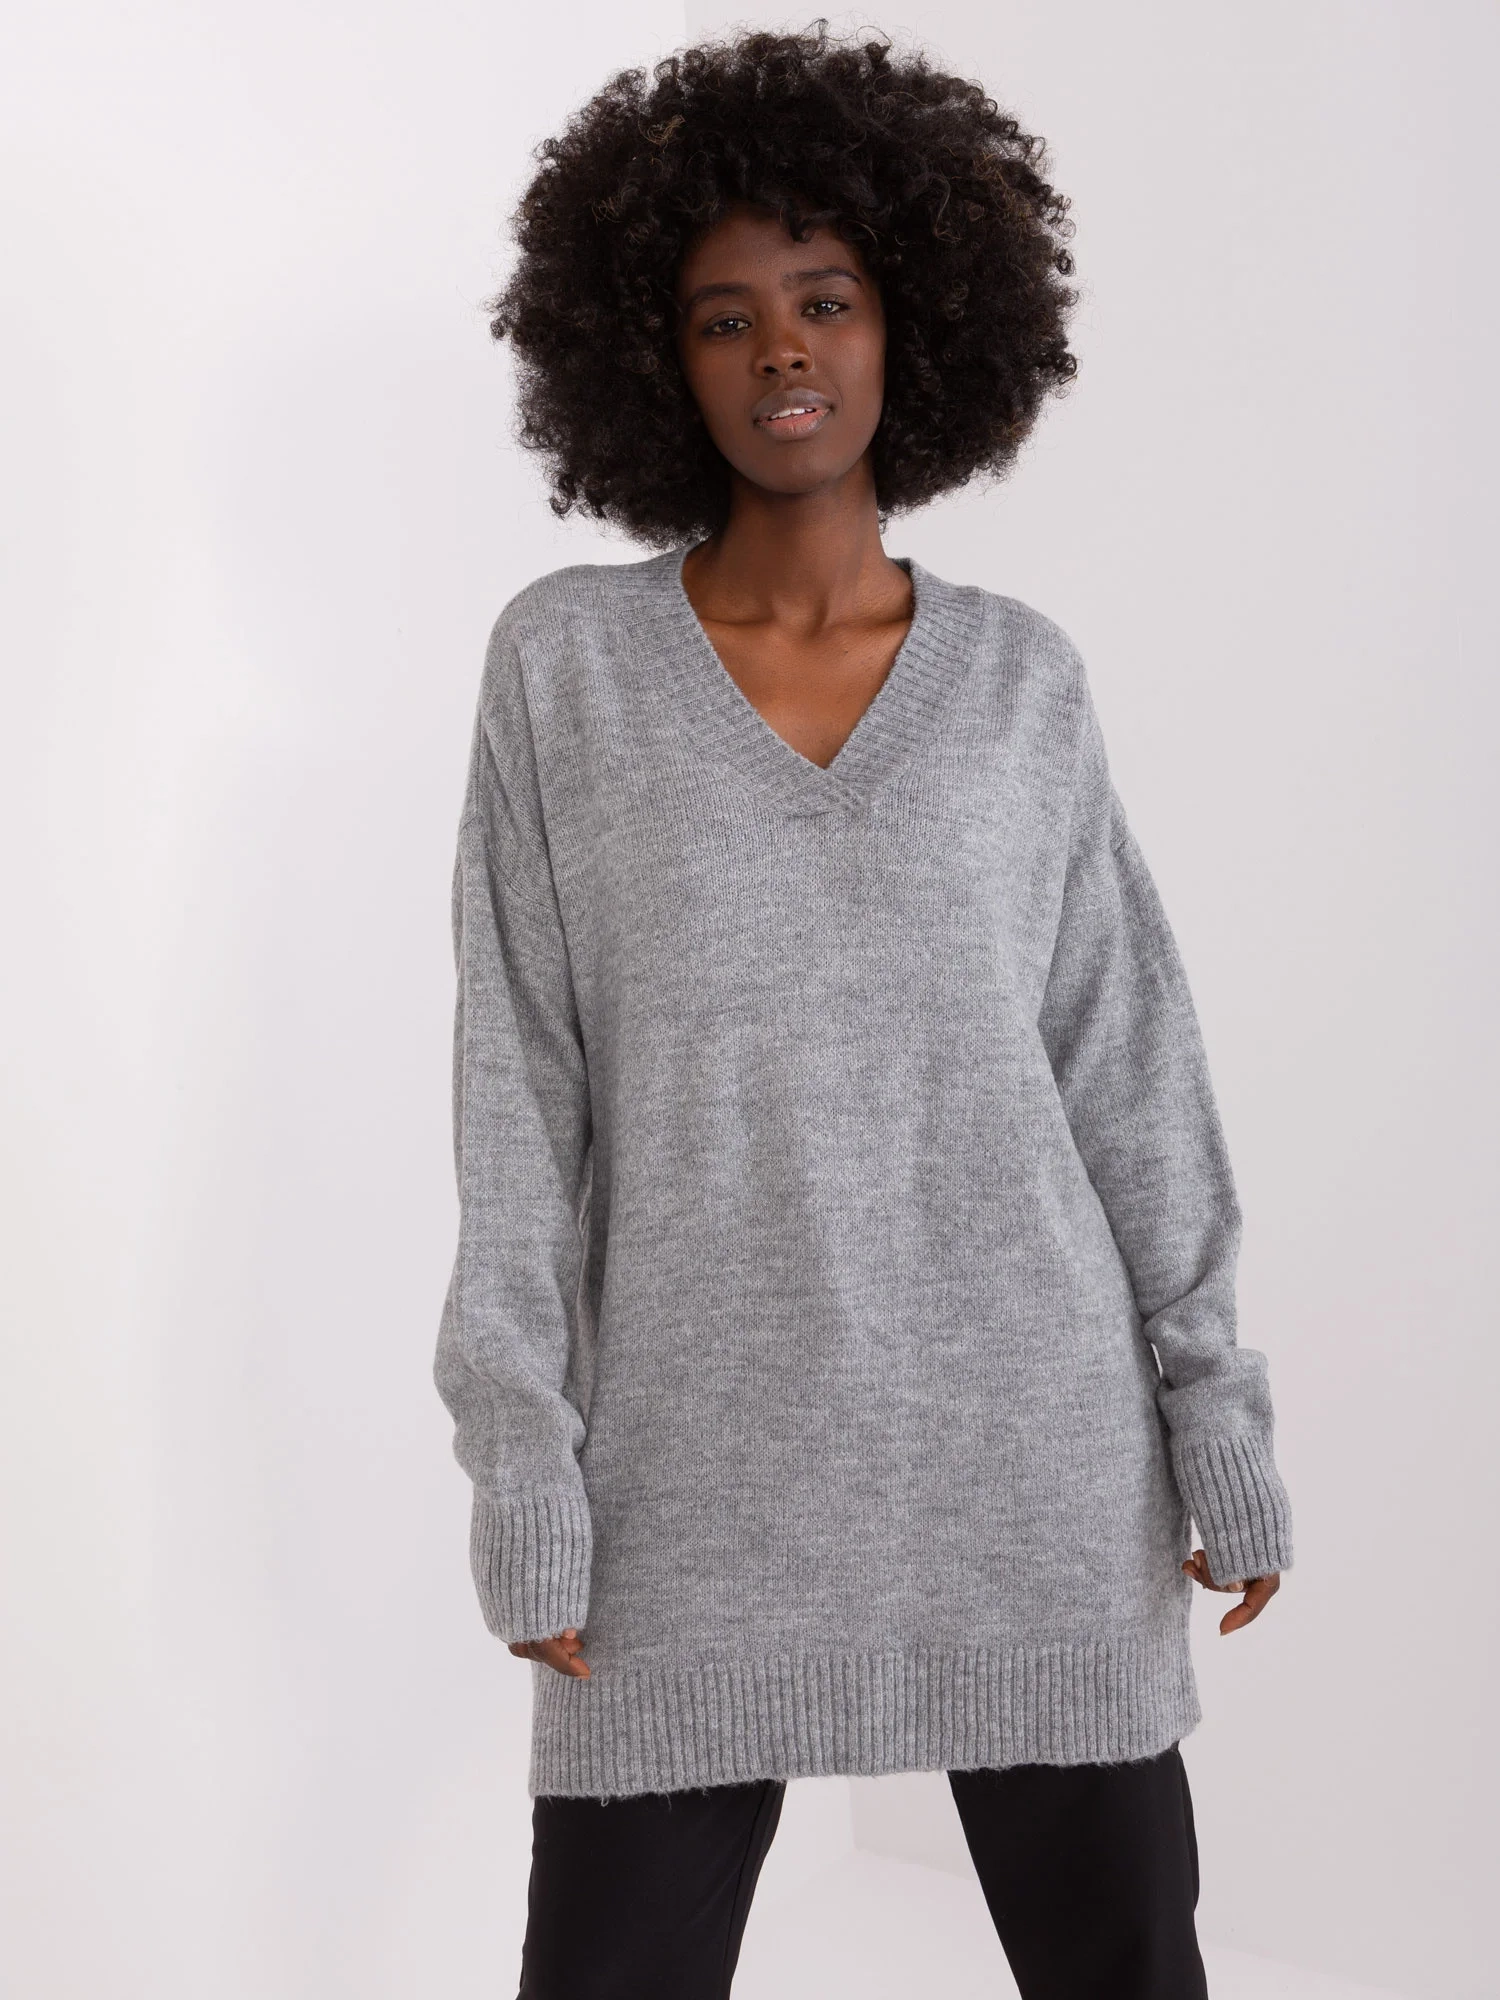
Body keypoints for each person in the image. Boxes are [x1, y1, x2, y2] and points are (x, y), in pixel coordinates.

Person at [433, 25, 1294, 2000]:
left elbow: (1127, 1069)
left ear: (915, 324)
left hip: (1036, 1469)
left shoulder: (1021, 683)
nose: (783, 352)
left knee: (1126, 1968)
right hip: (689, 1486)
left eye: (825, 299)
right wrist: (527, 1467)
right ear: (654, 359)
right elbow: (518, 1093)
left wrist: (1217, 1415)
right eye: (724, 316)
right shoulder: (566, 671)